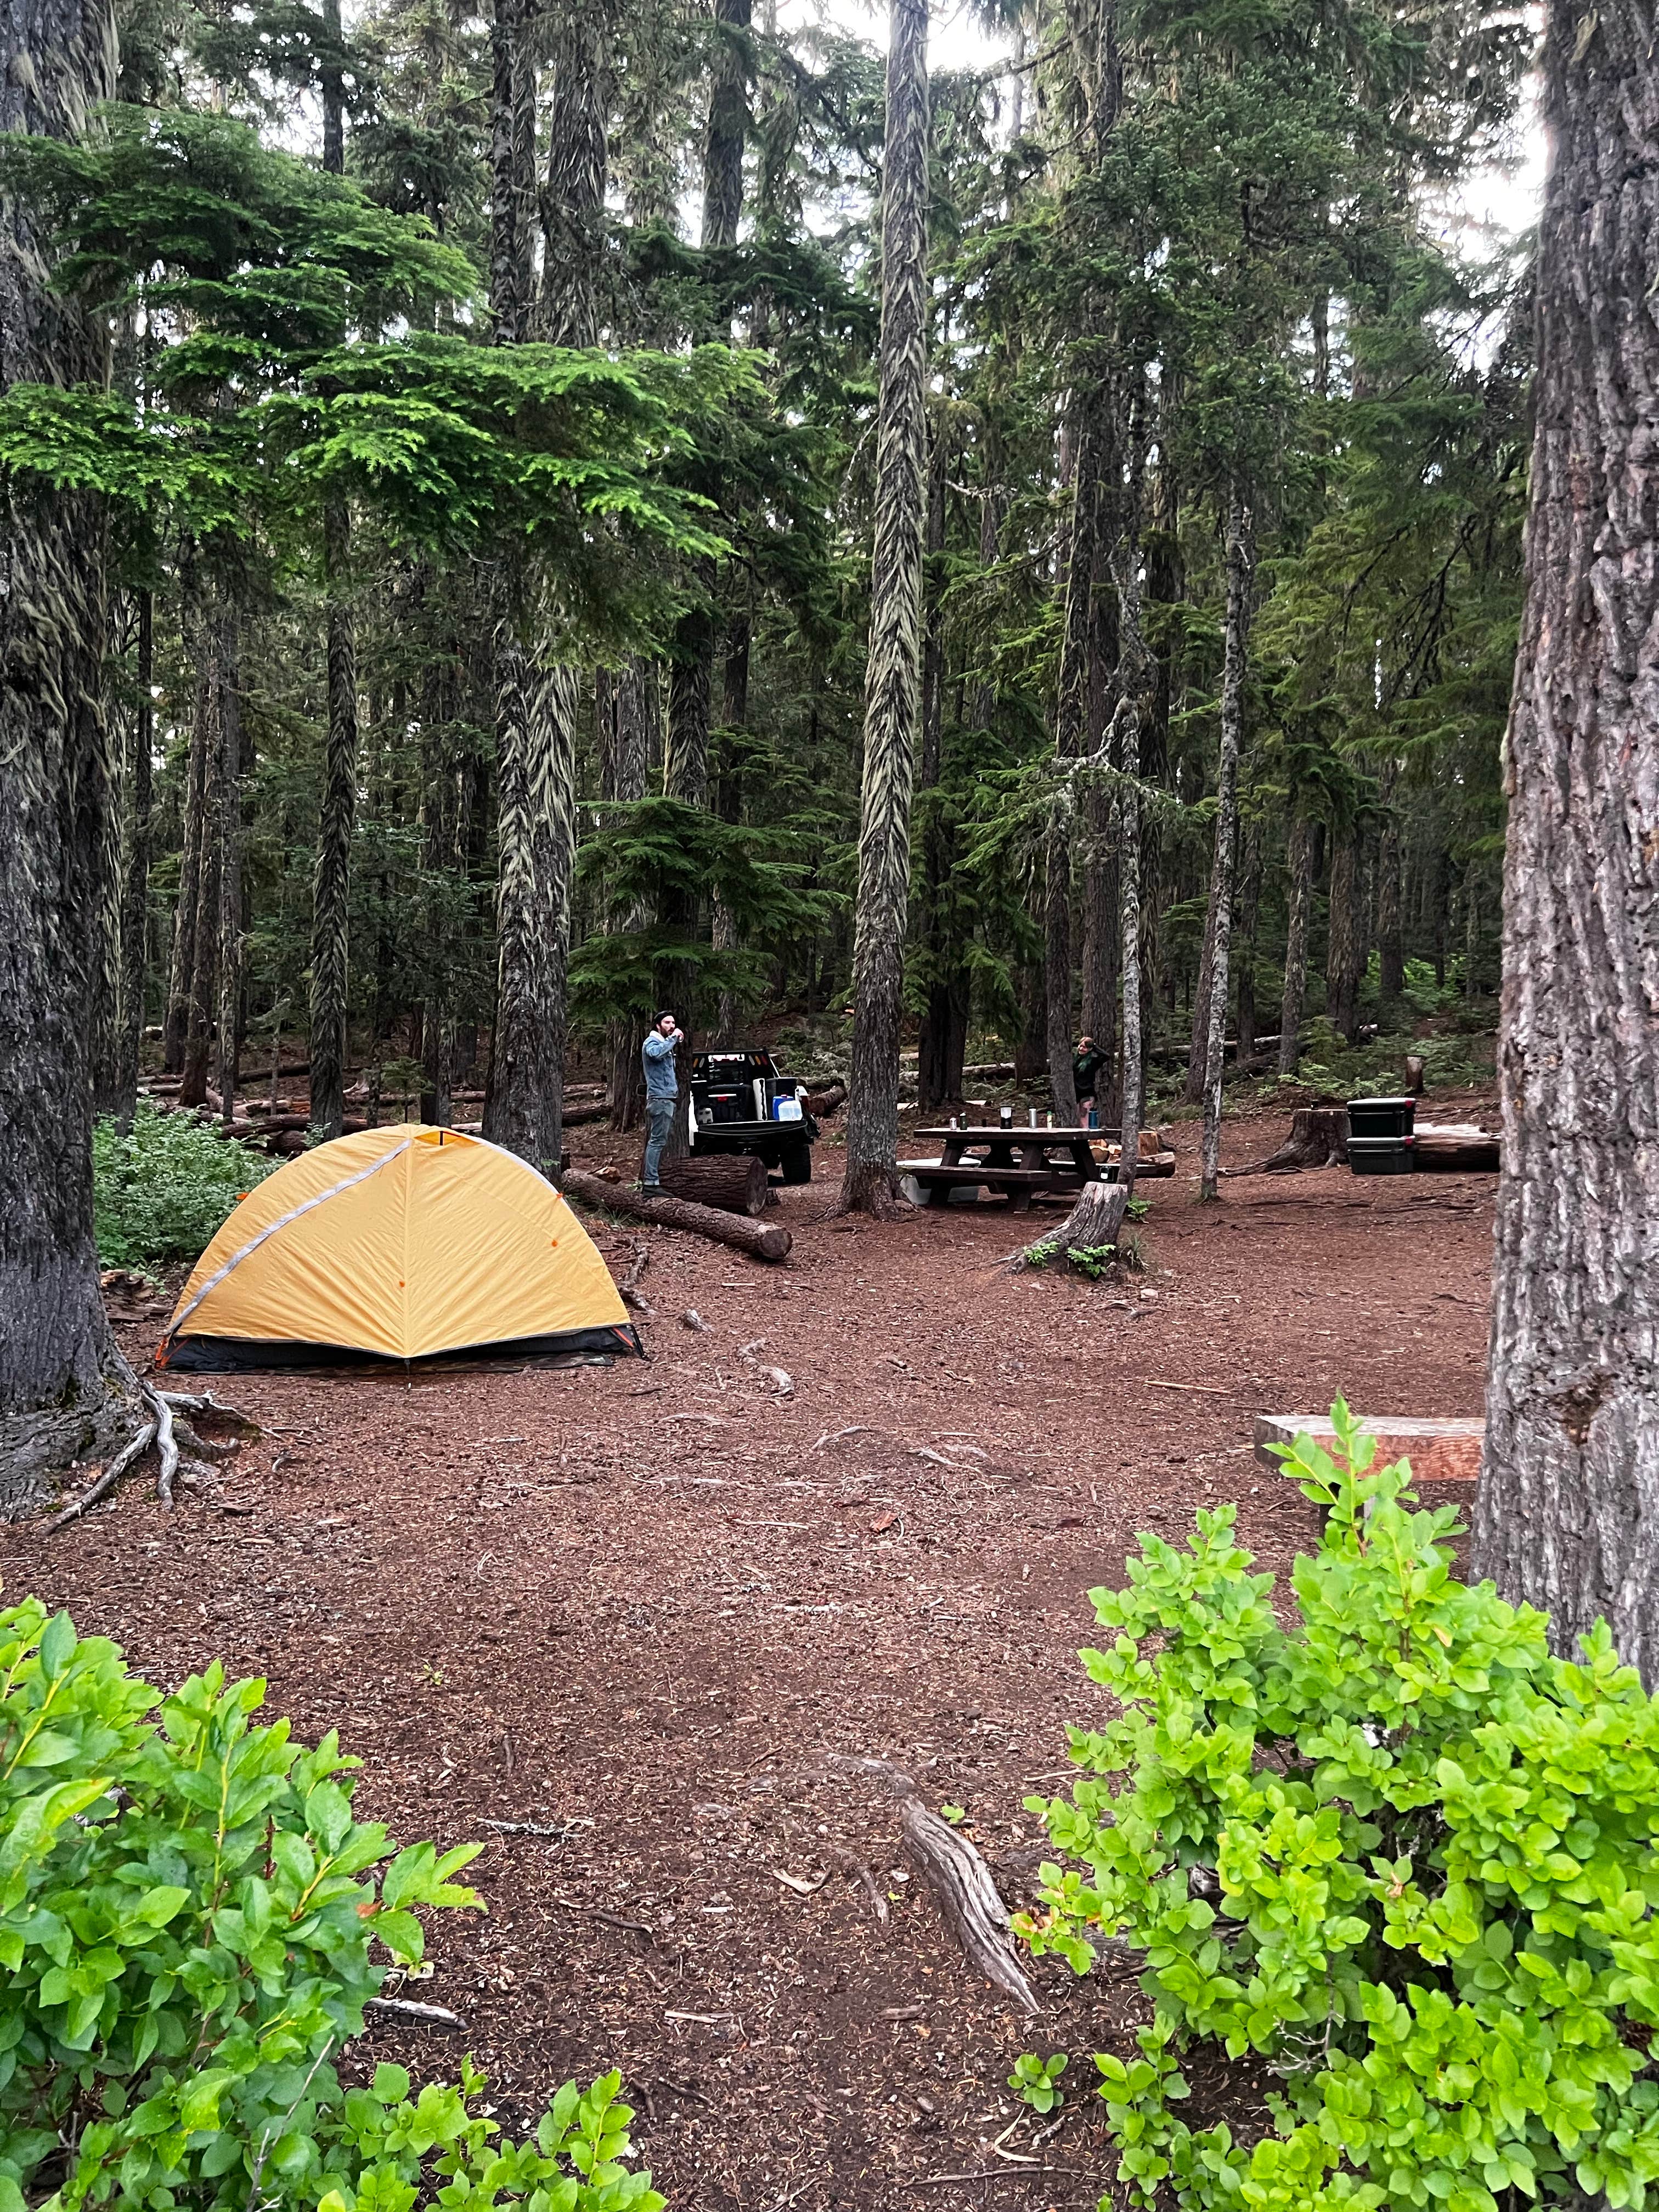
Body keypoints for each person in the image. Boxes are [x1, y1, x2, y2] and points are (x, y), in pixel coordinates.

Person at [641, 1010, 681, 1194]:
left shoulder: (665, 1044)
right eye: (667, 1023)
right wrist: (673, 1039)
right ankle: (651, 1183)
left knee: (658, 1141)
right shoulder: (652, 1042)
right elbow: (655, 1054)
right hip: (660, 1099)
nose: (671, 1026)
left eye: (673, 1023)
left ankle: (653, 1181)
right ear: (658, 1025)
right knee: (657, 1142)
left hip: (665, 1098)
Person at [1073, 1033, 1105, 1125]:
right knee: (1077, 1118)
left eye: (1084, 1047)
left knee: (1084, 1117)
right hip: (1075, 1093)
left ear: (1090, 1049)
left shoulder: (1093, 1061)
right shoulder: (1074, 1058)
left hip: (1087, 1092)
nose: (1081, 1049)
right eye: (1080, 1046)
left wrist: (1094, 1046)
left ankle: (1085, 1133)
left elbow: (1106, 1056)